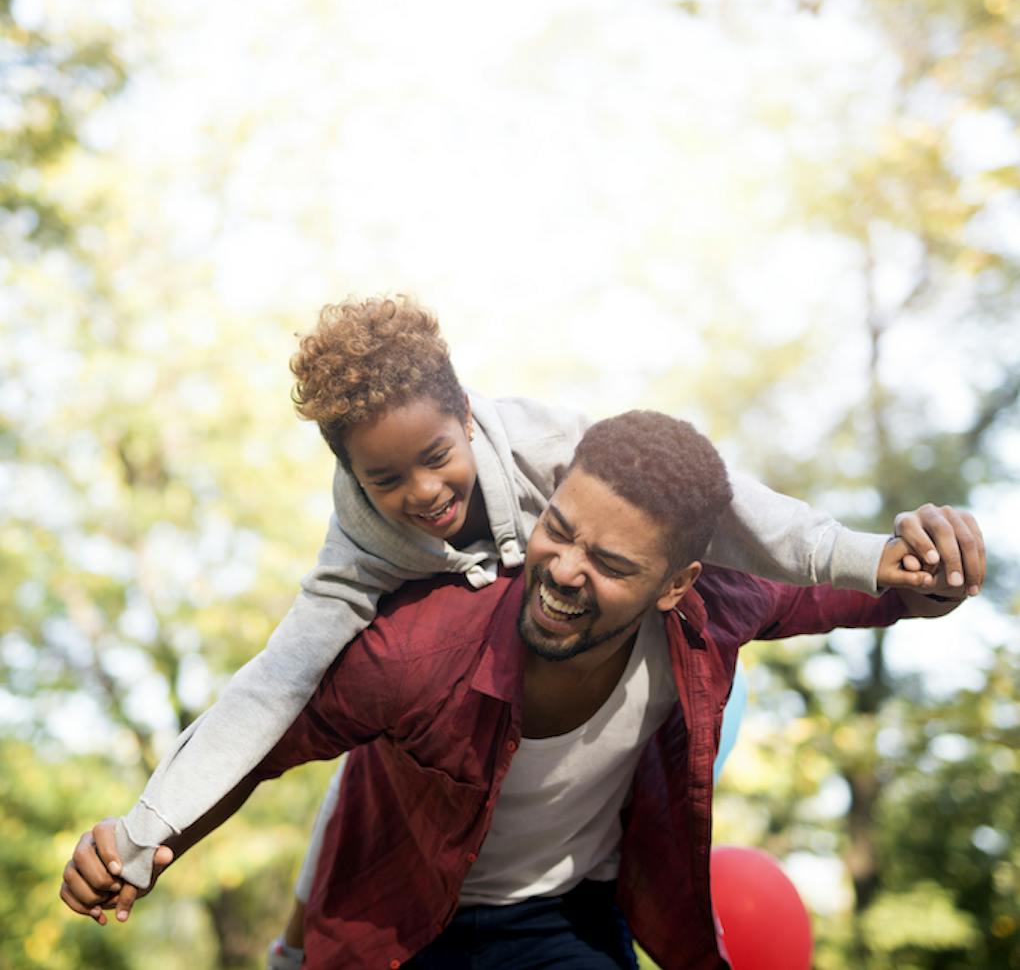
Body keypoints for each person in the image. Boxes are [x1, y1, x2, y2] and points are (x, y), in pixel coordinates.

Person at [60, 411, 981, 969]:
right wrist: (146, 838)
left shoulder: (717, 605)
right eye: (560, 530)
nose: (565, 571)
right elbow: (268, 732)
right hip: (401, 924)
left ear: (675, 584)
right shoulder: (416, 650)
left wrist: (939, 566)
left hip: (557, 924)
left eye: (611, 563)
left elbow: (881, 593)